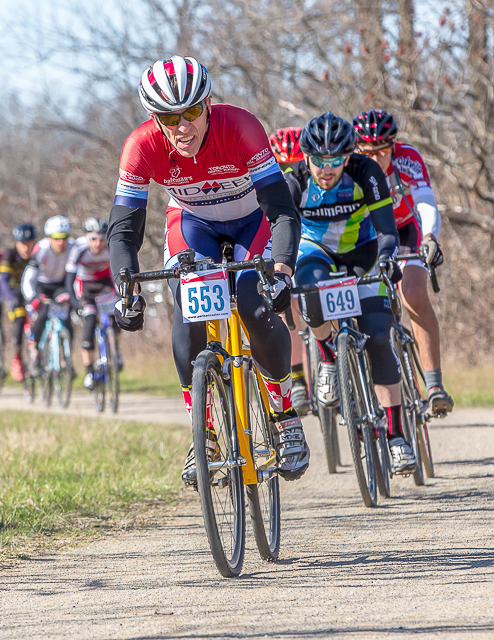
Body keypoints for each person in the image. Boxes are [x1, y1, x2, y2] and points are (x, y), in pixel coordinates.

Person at [107, 55, 309, 482]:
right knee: (189, 309)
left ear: (209, 104)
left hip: (252, 220)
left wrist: (283, 271)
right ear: (154, 118)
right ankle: (206, 433)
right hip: (192, 223)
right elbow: (124, 230)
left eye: (192, 112)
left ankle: (284, 415)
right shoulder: (141, 146)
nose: (183, 127)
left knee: (256, 304)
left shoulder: (241, 127)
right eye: (169, 117)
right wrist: (127, 290)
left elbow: (282, 210)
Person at [284, 112, 414, 473]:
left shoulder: (365, 171)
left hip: (364, 252)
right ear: (306, 156)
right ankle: (328, 356)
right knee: (309, 290)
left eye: (336, 160)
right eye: (319, 160)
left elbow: (387, 230)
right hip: (315, 252)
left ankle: (396, 436)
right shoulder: (294, 181)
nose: (327, 169)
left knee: (378, 335)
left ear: (349, 156)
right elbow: (283, 234)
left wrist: (387, 259)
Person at [353, 109, 453, 415]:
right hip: (370, 235)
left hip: (405, 229)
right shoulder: (350, 165)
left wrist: (430, 238)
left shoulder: (408, 158)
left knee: (413, 292)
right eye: (368, 152)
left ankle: (433, 385)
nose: (376, 158)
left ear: (393, 146)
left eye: (382, 151)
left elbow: (426, 202)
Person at [270, 127, 314, 414]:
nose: (289, 174)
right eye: (281, 167)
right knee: (289, 303)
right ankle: (297, 377)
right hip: (285, 240)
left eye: (294, 166)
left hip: (312, 238)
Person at [65, 217, 119, 389]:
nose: (97, 243)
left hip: (104, 282)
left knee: (118, 316)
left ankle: (115, 350)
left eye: (101, 239)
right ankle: (89, 371)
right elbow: (69, 279)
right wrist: (74, 302)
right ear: (86, 237)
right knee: (89, 321)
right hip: (85, 286)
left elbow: (119, 271)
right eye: (93, 239)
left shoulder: (111, 245)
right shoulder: (78, 248)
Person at [21, 216, 74, 373]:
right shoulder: (41, 249)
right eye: (56, 238)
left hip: (60, 285)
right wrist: (32, 297)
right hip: (42, 285)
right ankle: (35, 354)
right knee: (43, 314)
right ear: (49, 237)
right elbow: (28, 277)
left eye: (64, 238)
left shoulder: (73, 247)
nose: (60, 242)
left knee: (67, 319)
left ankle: (66, 360)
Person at [0, 223, 37, 382]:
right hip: (15, 292)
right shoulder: (9, 255)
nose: (26, 248)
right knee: (20, 320)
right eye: (22, 244)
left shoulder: (38, 253)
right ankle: (17, 359)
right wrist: (10, 298)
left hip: (34, 292)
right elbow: (3, 280)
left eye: (29, 243)